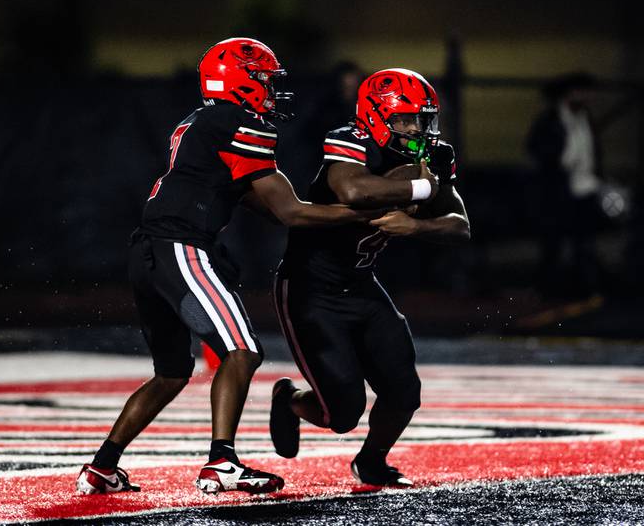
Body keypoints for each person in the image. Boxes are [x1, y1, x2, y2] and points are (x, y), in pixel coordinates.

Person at [75, 40, 429, 496]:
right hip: (181, 247)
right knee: (242, 350)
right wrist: (365, 216)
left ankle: (102, 466)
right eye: (263, 79)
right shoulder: (240, 122)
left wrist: (311, 217)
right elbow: (291, 212)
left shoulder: (200, 121)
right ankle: (221, 462)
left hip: (148, 252)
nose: (269, 89)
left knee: (171, 373)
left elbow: (242, 195)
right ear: (239, 80)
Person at [269, 68, 470, 486]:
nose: (417, 129)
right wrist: (421, 190)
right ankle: (290, 400)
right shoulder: (350, 139)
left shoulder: (434, 156)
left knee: (403, 392)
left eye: (424, 119)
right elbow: (355, 192)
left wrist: (417, 227)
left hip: (362, 284)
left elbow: (460, 226)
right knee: (341, 413)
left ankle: (371, 461)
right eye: (406, 119)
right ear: (376, 116)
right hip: (310, 287)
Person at [526, 72, 605, 296]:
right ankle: (549, 291)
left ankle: (583, 289)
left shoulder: (585, 118)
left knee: (584, 243)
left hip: (585, 187)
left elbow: (592, 150)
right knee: (554, 243)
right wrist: (556, 162)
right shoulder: (551, 119)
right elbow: (537, 149)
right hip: (558, 190)